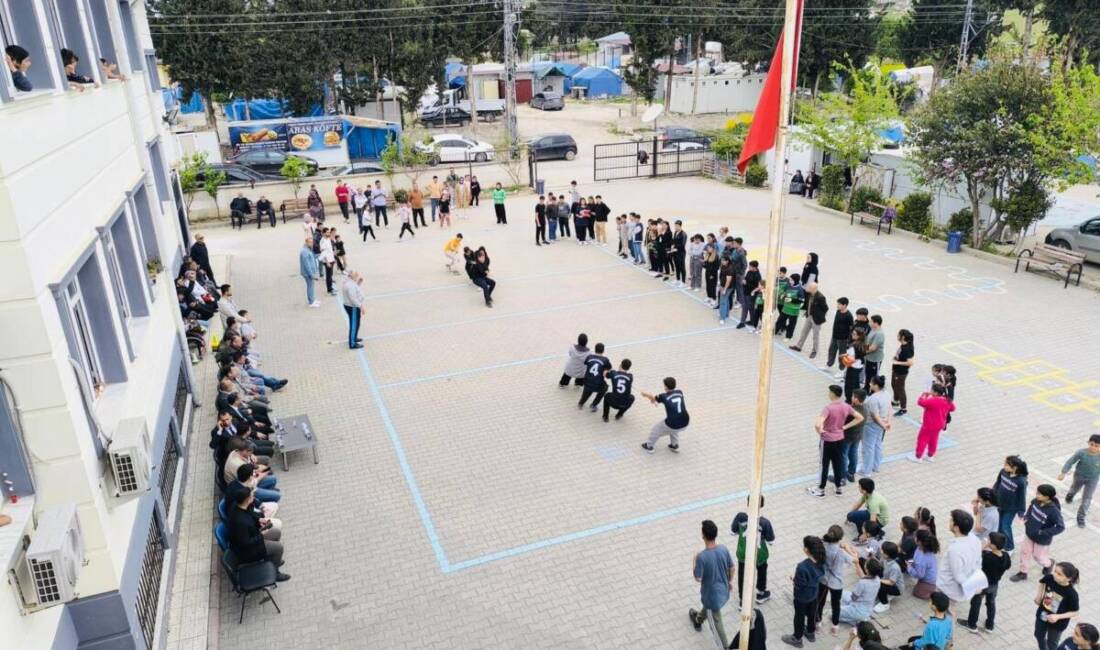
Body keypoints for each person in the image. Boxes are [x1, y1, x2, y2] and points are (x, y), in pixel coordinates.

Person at [808, 385, 863, 498]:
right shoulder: (846, 406)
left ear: (832, 393)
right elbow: (860, 417)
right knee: (837, 463)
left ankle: (821, 489)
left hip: (828, 440)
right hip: (840, 438)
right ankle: (838, 488)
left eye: (829, 392)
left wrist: (821, 433)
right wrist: (845, 427)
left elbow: (818, 424)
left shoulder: (828, 408)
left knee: (824, 465)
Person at [226, 487, 290, 581]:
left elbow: (250, 514)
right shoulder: (240, 522)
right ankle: (276, 573)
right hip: (247, 551)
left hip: (253, 535)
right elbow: (245, 543)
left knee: (276, 532)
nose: (253, 496)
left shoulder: (238, 505)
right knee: (279, 547)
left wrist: (258, 519)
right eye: (252, 496)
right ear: (247, 500)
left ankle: (273, 558)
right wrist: (261, 535)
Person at [688, 520, 734, 648]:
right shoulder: (723, 549)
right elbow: (732, 568)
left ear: (703, 536)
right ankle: (698, 619)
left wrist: (694, 561)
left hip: (711, 598)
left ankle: (725, 647)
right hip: (724, 591)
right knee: (707, 610)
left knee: (716, 624)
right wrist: (729, 581)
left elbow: (698, 578)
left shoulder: (702, 557)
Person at [1010, 484, 1066, 582]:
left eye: (1039, 494)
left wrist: (1043, 532)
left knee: (1038, 556)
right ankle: (1023, 573)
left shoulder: (1054, 511)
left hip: (1042, 539)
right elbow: (1030, 509)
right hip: (1029, 534)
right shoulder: (1035, 501)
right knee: (1025, 552)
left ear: (1047, 497)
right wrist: (1026, 518)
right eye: (1037, 492)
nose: (1037, 495)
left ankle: (1049, 564)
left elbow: (1061, 527)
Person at [962, 531, 1011, 633]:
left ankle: (972, 624)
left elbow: (975, 558)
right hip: (994, 584)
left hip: (982, 584)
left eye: (989, 540)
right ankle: (989, 625)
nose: (987, 541)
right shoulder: (1006, 556)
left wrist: (983, 546)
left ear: (993, 545)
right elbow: (1008, 566)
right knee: (991, 603)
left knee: (976, 602)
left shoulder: (987, 557)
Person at [781, 535, 825, 647]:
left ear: (806, 550)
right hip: (814, 593)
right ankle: (810, 632)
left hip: (802, 597)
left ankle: (797, 638)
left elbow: (799, 585)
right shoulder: (821, 559)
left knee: (799, 616)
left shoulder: (802, 567)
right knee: (812, 613)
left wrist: (793, 578)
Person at [731, 496, 774, 604]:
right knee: (762, 570)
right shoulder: (765, 523)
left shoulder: (740, 517)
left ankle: (742, 599)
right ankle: (761, 593)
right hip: (759, 553)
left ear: (748, 503)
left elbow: (733, 531)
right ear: (762, 505)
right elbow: (771, 541)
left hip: (743, 552)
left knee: (742, 574)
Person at [937, 509, 983, 605]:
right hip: (956, 588)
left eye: (951, 520)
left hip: (948, 589)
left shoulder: (955, 550)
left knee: (946, 612)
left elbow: (958, 576)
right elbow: (979, 562)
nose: (949, 522)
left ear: (956, 528)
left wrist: (972, 586)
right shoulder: (975, 540)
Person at [1033, 562, 1081, 650]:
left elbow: (1074, 612)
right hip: (1043, 614)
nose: (1055, 575)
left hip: (1058, 623)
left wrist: (1057, 617)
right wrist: (1039, 595)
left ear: (1068, 578)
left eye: (1059, 574)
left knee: (1052, 644)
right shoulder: (1050, 578)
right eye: (1055, 571)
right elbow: (1042, 582)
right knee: (1038, 634)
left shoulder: (1072, 594)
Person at [815, 525, 851, 635]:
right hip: (836, 583)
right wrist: (847, 548)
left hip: (823, 579)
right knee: (836, 605)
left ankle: (818, 624)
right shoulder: (841, 552)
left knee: (819, 602)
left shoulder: (822, 546)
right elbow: (852, 560)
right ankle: (835, 627)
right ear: (840, 538)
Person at [1059, 434, 1100, 528]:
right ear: (1088, 443)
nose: (1093, 447)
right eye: (1091, 444)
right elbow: (1070, 461)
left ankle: (1081, 516)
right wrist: (1063, 472)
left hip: (1093, 479)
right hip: (1079, 476)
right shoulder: (1081, 453)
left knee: (1087, 498)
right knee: (1074, 488)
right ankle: (1070, 494)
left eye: (1096, 446)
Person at [640, 377, 689, 454]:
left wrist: (646, 395)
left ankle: (649, 446)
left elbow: (653, 399)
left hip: (672, 423)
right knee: (674, 430)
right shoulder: (680, 392)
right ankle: (674, 445)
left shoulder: (663, 396)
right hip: (685, 421)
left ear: (665, 386)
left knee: (655, 430)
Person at [909, 384, 955, 463]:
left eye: (932, 390)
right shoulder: (946, 400)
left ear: (936, 393)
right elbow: (953, 408)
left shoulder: (933, 401)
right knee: (934, 439)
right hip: (940, 424)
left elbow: (920, 402)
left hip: (929, 424)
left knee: (922, 439)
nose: (930, 391)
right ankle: (930, 455)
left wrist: (923, 395)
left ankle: (918, 457)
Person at [995, 455, 1029, 551]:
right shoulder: (1003, 472)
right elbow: (997, 483)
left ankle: (1010, 547)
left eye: (1006, 464)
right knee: (998, 525)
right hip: (999, 504)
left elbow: (1022, 497)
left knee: (1005, 526)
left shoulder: (1021, 481)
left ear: (1014, 468)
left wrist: (1021, 511)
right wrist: (992, 495)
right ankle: (999, 542)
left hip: (1011, 508)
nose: (1004, 466)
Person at [838, 557, 882, 625]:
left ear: (867, 570)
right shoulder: (877, 579)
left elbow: (853, 598)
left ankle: (855, 621)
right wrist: (857, 563)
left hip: (858, 609)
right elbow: (862, 575)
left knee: (834, 613)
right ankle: (855, 618)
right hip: (867, 608)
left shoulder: (862, 583)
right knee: (840, 593)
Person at [822, 297, 854, 372]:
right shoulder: (838, 311)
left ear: (845, 305)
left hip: (843, 338)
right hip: (834, 336)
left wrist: (848, 339)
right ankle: (829, 364)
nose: (837, 305)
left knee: (842, 354)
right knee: (831, 351)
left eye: (839, 304)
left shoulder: (849, 315)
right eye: (838, 304)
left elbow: (851, 328)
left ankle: (841, 370)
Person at [578, 343, 611, 412]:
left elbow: (585, 363)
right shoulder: (605, 360)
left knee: (586, 392)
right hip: (598, 384)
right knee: (605, 387)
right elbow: (609, 368)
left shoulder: (589, 357)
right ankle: (593, 405)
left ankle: (581, 403)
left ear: (595, 350)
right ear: (603, 351)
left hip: (587, 381)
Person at [872, 542, 904, 613]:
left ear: (887, 555)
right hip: (886, 578)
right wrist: (872, 558)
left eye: (882, 550)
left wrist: (879, 580)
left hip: (896, 587)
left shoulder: (895, 567)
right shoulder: (884, 558)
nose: (880, 550)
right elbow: (879, 565)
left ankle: (885, 604)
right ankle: (882, 593)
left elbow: (891, 582)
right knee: (874, 572)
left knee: (880, 585)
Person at [908, 529, 940, 599]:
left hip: (929, 581)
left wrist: (909, 568)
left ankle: (932, 591)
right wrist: (910, 562)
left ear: (919, 542)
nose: (914, 537)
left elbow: (920, 575)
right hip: (930, 574)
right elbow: (914, 559)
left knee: (916, 593)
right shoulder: (922, 548)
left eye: (916, 537)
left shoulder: (922, 560)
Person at [891, 329, 915, 416]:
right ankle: (896, 401)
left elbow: (910, 363)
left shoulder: (907, 349)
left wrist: (897, 362)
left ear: (903, 337)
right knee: (894, 385)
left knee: (900, 389)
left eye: (898, 335)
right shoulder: (903, 345)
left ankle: (903, 408)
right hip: (896, 370)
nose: (897, 336)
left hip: (901, 372)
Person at [775, 272, 803, 342]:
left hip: (794, 311)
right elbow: (783, 291)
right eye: (790, 279)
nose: (789, 281)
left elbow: (801, 300)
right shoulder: (788, 285)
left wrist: (791, 300)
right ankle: (774, 331)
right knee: (780, 321)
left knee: (791, 324)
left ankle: (789, 336)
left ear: (795, 280)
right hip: (785, 308)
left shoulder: (800, 289)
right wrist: (782, 295)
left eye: (791, 280)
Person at [341, 271, 364, 350]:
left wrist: (358, 283)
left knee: (356, 323)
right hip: (353, 306)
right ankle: (352, 343)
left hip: (351, 305)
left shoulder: (350, 282)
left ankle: (354, 337)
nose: (357, 276)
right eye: (356, 275)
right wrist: (361, 306)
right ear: (352, 276)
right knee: (354, 324)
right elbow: (353, 298)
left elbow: (355, 289)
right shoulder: (350, 285)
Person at [863, 315, 886, 391]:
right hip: (869, 357)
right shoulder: (873, 329)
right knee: (868, 374)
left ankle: (873, 391)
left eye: (871, 321)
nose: (869, 323)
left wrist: (863, 351)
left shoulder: (879, 334)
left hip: (875, 359)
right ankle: (866, 388)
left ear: (876, 323)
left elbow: (873, 348)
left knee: (873, 376)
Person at [738, 260, 761, 329]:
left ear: (754, 267)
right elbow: (746, 278)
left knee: (746, 308)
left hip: (751, 295)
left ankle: (742, 322)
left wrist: (746, 283)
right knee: (750, 308)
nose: (748, 267)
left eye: (750, 266)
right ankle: (752, 321)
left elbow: (757, 287)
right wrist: (744, 281)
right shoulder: (749, 272)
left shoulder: (758, 276)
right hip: (745, 292)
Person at [298, 237, 319, 307]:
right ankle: (311, 302)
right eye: (310, 242)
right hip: (308, 273)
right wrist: (312, 274)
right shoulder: (305, 251)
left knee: (311, 286)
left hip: (310, 272)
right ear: (306, 242)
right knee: (310, 286)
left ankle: (312, 299)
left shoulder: (308, 249)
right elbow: (307, 265)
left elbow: (312, 258)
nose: (312, 243)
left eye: (312, 242)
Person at [717, 255, 735, 325]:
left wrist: (724, 289)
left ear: (727, 261)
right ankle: (726, 314)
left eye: (723, 260)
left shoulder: (730, 268)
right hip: (723, 285)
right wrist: (719, 284)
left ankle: (722, 318)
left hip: (727, 287)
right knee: (726, 300)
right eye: (721, 260)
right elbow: (721, 276)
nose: (722, 262)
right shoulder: (723, 266)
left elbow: (728, 280)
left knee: (723, 302)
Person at [670, 220, 687, 285]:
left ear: (680, 226)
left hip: (681, 253)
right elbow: (673, 241)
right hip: (675, 252)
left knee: (682, 267)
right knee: (677, 266)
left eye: (677, 226)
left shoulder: (683, 234)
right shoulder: (675, 232)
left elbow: (683, 244)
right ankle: (678, 279)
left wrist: (675, 247)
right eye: (675, 225)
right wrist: (672, 245)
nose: (675, 227)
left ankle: (683, 281)